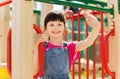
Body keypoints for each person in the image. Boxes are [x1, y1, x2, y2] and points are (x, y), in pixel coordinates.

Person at [33, 10, 100, 79]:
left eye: (59, 24)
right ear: (46, 28)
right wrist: (36, 46)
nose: (56, 28)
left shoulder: (69, 47)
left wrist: (96, 28)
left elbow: (87, 42)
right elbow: (34, 71)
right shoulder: (42, 47)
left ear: (64, 27)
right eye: (51, 24)